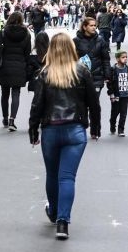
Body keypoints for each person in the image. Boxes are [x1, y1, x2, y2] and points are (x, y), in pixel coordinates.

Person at [29, 32, 100, 239]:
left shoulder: (45, 73)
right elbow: (93, 103)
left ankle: (52, 212)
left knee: (52, 175)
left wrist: (34, 130)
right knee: (67, 177)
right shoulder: (82, 71)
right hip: (75, 130)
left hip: (51, 129)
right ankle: (62, 222)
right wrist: (95, 128)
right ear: (72, 49)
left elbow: (37, 105)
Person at [0, 11, 32, 131]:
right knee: (16, 93)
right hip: (19, 66)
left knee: (4, 94)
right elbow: (27, 52)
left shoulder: (3, 32)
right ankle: (12, 120)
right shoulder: (26, 33)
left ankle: (4, 118)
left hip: (5, 67)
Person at [73, 17, 108, 141]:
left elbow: (105, 59)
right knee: (81, 104)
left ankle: (95, 130)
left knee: (94, 105)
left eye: (95, 25)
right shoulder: (76, 41)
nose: (94, 27)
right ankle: (81, 127)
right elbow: (71, 59)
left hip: (96, 77)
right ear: (84, 27)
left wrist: (107, 75)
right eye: (91, 25)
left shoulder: (100, 41)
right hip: (80, 78)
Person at [107, 49, 128, 136]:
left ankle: (121, 130)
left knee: (123, 113)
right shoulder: (113, 69)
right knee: (115, 113)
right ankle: (112, 124)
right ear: (117, 59)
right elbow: (110, 83)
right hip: (116, 95)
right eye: (123, 57)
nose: (125, 59)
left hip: (125, 95)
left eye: (126, 57)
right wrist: (111, 94)